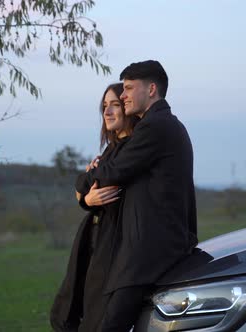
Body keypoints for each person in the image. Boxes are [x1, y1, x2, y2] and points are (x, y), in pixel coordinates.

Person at [91, 60, 198, 331]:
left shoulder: (155, 127)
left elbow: (113, 172)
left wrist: (88, 178)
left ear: (151, 89)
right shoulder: (164, 125)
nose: (123, 95)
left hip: (148, 254)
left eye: (128, 88)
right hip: (152, 250)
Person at [50, 83, 139, 332]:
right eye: (104, 107)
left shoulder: (133, 148)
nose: (107, 112)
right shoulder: (110, 150)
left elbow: (93, 182)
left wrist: (86, 187)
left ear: (128, 108)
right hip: (92, 237)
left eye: (115, 105)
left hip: (112, 242)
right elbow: (82, 187)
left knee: (96, 316)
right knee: (70, 305)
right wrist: (87, 199)